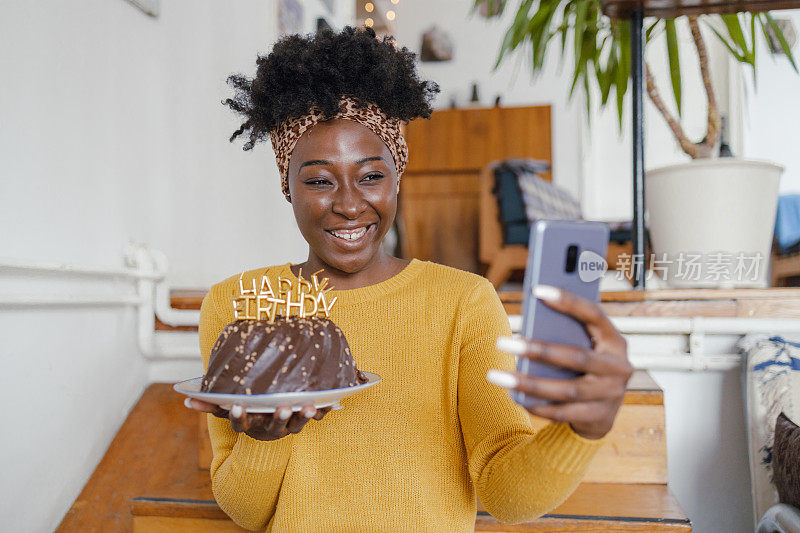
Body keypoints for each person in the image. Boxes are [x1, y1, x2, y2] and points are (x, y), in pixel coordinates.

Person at [185, 26, 632, 532]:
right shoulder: (238, 305)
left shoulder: (461, 302)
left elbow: (507, 496)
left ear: (399, 175)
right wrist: (264, 444)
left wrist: (583, 429)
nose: (350, 204)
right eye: (318, 180)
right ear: (286, 184)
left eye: (371, 175)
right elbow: (244, 510)